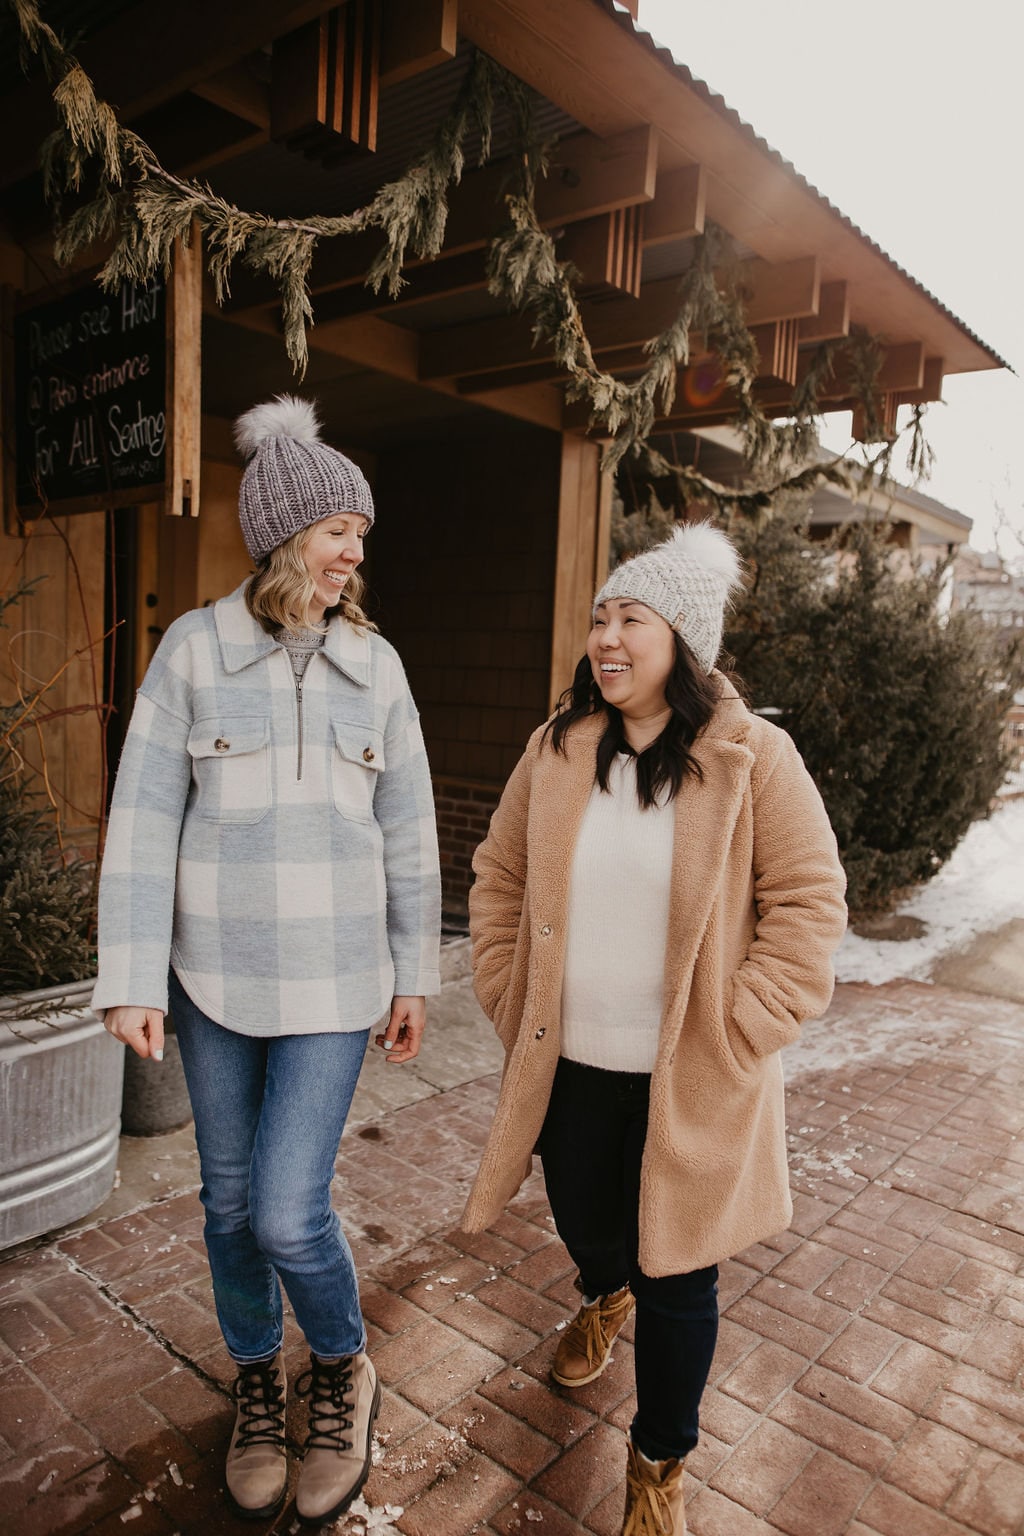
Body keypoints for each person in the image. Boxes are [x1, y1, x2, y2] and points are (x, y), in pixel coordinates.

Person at [93, 395, 441, 1525]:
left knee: (292, 1213)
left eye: (358, 536)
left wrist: (412, 973)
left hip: (335, 987)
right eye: (341, 529)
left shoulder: (375, 670)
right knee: (228, 1206)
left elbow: (410, 831)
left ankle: (339, 1365)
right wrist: (133, 976)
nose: (354, 553)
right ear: (287, 531)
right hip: (215, 987)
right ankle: (256, 1378)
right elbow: (143, 818)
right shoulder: (194, 652)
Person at [461, 522, 847, 1536]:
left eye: (631, 618)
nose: (606, 637)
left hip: (694, 1074)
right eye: (600, 618)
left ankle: (659, 1459)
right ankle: (598, 1293)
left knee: (679, 1272)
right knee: (591, 1227)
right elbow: (497, 876)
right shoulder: (556, 752)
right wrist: (506, 987)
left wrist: (745, 1022)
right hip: (572, 1063)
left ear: (684, 640)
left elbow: (810, 902)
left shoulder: (753, 759)